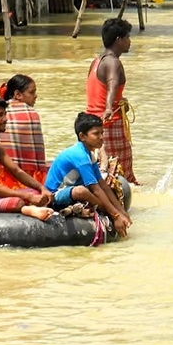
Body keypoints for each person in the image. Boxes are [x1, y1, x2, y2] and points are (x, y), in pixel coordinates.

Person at [44, 112, 132, 237]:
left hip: (71, 189)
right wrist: (115, 215)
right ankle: (104, 210)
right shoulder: (80, 155)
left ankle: (104, 209)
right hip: (55, 195)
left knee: (106, 184)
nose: (101, 137)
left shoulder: (89, 154)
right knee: (82, 191)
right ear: (82, 136)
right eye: (96, 134)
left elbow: (102, 185)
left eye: (102, 133)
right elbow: (95, 189)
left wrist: (122, 212)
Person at [86, 18, 138, 185]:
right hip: (110, 125)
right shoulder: (113, 62)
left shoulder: (97, 61)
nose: (130, 41)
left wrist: (119, 101)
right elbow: (111, 85)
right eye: (128, 37)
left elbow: (99, 90)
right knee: (122, 175)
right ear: (119, 40)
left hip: (92, 123)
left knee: (103, 169)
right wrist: (109, 108)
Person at [0, 74, 49, 189]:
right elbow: (38, 158)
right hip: (30, 179)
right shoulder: (31, 114)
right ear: (18, 95)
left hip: (2, 177)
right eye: (32, 92)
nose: (35, 96)